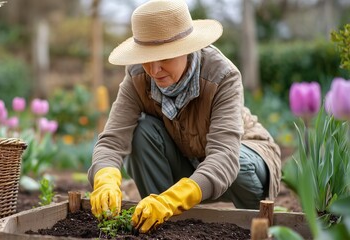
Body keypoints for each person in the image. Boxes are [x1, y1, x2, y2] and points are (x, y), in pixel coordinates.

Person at [87, 0, 281, 234]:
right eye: (147, 58)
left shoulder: (222, 77)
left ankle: (258, 227)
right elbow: (111, 141)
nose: (154, 69)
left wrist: (173, 199)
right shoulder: (138, 77)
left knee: (236, 160)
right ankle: (162, 225)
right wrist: (105, 177)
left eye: (165, 58)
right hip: (188, 160)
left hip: (243, 158)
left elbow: (224, 158)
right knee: (140, 132)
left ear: (187, 48)